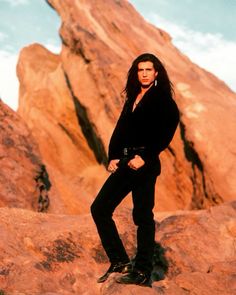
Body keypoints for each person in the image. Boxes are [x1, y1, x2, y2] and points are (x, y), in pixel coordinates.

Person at [91, 53, 179, 287]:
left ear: (156, 73)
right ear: (136, 72)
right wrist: (113, 156)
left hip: (145, 164)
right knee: (99, 208)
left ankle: (142, 272)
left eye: (149, 70)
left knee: (142, 217)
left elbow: (167, 131)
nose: (144, 73)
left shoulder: (162, 99)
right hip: (125, 162)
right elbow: (121, 128)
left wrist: (145, 156)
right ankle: (119, 261)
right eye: (141, 70)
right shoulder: (133, 98)